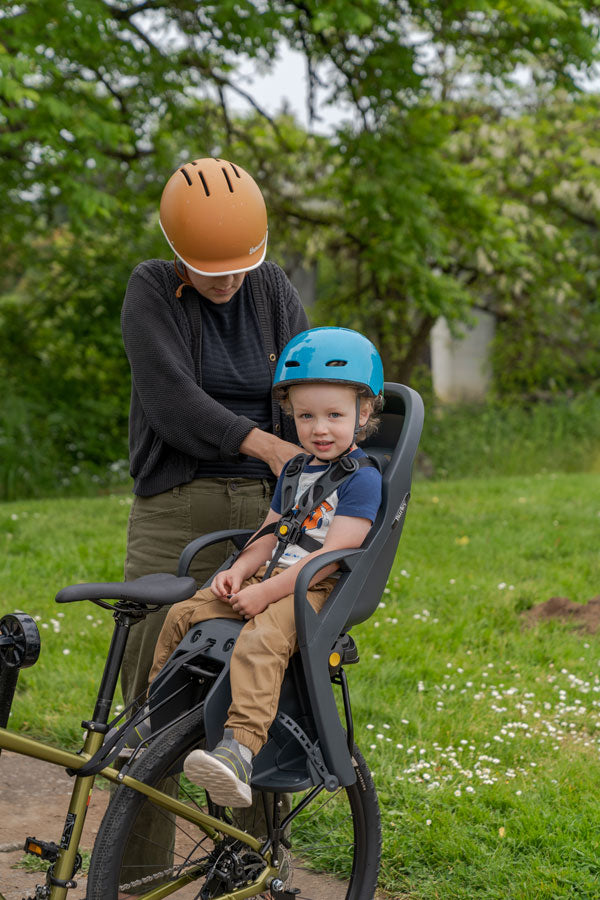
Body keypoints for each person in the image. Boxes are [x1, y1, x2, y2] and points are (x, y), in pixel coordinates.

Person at [149, 326, 384, 808]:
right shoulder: (296, 471)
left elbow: (326, 560)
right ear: (290, 416)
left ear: (363, 413)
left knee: (261, 643)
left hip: (311, 592)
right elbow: (271, 532)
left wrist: (264, 593)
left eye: (334, 415)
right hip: (271, 576)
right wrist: (239, 569)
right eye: (306, 416)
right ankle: (156, 726)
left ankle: (240, 750)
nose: (320, 429)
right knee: (184, 614)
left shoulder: (362, 480)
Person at [120, 157, 309, 713]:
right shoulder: (151, 287)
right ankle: (146, 802)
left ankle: (253, 795)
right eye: (210, 268)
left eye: (239, 266)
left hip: (270, 511)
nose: (228, 279)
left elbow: (304, 382)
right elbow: (171, 401)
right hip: (177, 509)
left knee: (265, 670)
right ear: (177, 251)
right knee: (155, 673)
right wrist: (266, 445)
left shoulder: (270, 287)